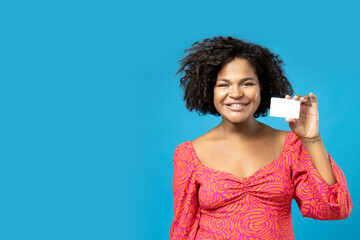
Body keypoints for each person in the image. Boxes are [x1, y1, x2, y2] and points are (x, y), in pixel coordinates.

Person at [169, 36, 353, 239]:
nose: (236, 93)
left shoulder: (290, 145)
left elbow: (334, 208)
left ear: (261, 87)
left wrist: (312, 138)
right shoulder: (188, 154)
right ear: (209, 90)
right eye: (224, 85)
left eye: (246, 83)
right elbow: (183, 229)